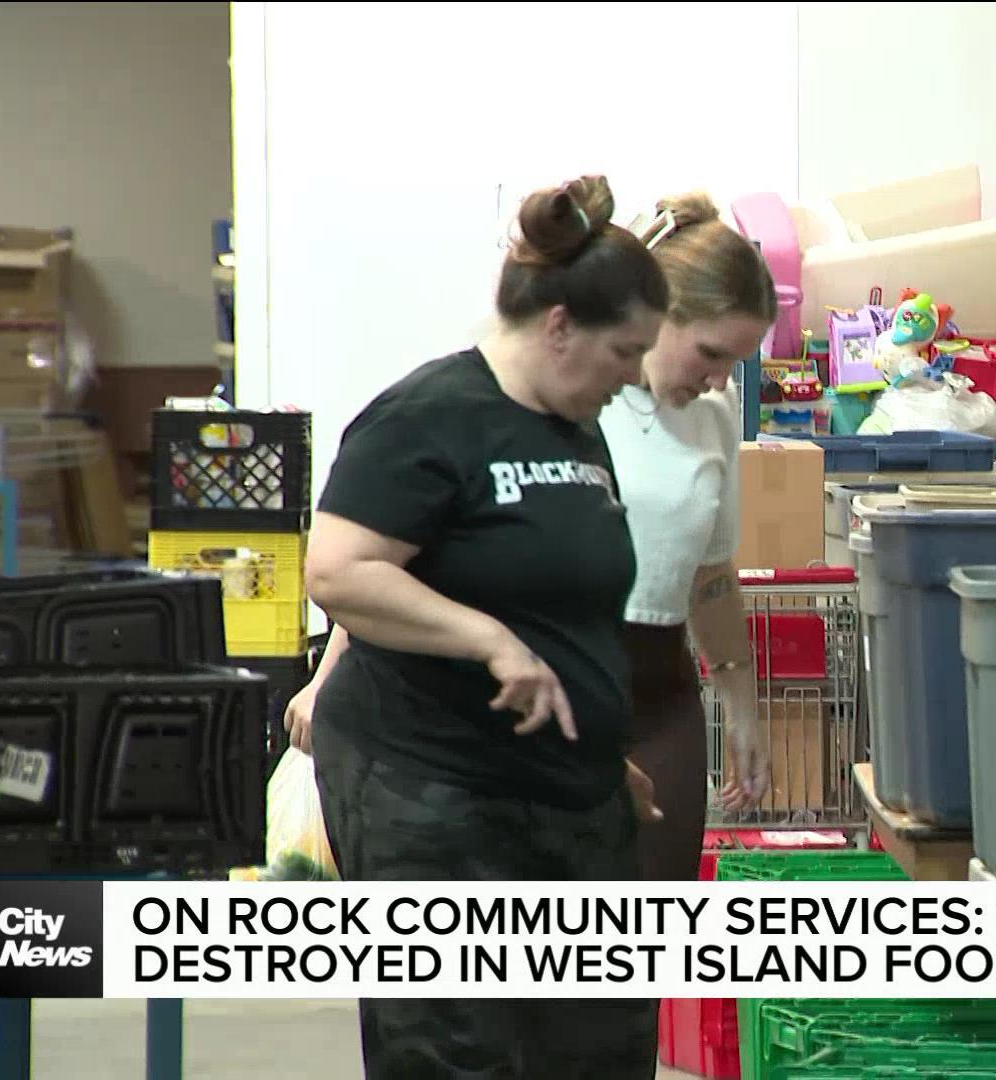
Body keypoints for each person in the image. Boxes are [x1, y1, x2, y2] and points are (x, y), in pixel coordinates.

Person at [291, 174, 668, 1079]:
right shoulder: (425, 419)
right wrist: (491, 641)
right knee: (457, 1049)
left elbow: (563, 600)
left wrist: (593, 739)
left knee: (599, 1045)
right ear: (559, 326)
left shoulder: (573, 427)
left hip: (563, 794)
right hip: (431, 791)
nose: (634, 378)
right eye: (626, 352)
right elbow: (338, 574)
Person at [598, 193, 779, 883]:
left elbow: (710, 572)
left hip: (661, 686)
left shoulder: (715, 408)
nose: (718, 378)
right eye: (709, 353)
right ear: (655, 313)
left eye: (736, 362)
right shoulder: (582, 393)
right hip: (561, 677)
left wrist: (742, 706)